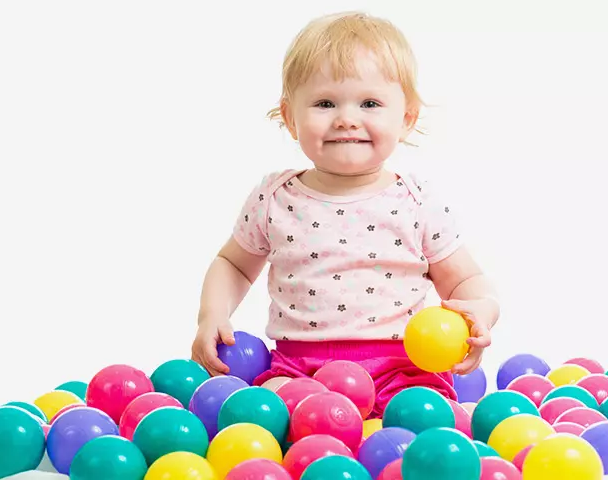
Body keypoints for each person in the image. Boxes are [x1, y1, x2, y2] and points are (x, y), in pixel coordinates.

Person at [190, 11, 500, 418]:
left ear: (406, 119)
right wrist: (212, 314)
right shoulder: (274, 197)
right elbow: (233, 263)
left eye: (370, 103)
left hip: (402, 369)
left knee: (427, 418)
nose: (346, 118)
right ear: (290, 117)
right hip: (300, 369)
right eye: (324, 103)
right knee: (269, 415)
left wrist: (481, 310)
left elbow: (463, 278)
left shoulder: (416, 200)